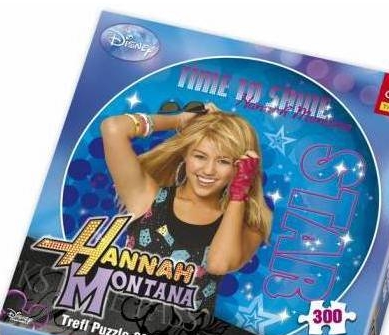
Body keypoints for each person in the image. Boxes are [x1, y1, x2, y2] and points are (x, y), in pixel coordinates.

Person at [100, 103, 272, 319]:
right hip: (118, 326)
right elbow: (113, 128)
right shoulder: (148, 199)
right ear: (186, 154)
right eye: (200, 156)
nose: (208, 170)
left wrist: (239, 194)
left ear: (239, 167)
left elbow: (218, 264)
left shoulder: (247, 227)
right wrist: (179, 120)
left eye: (223, 161)